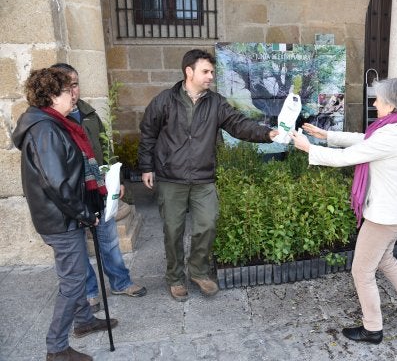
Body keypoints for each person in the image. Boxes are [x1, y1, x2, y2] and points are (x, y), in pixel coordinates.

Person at [289, 78, 397, 345]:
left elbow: (346, 158)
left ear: (392, 104)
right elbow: (366, 140)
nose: (374, 103)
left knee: (361, 272)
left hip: (383, 217)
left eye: (378, 99)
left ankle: (372, 329)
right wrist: (327, 135)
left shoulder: (391, 133)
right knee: (386, 259)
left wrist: (308, 148)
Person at [138, 49, 279, 301]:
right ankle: (175, 278)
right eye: (206, 71)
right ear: (188, 72)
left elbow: (238, 124)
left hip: (203, 178)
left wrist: (267, 133)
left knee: (207, 224)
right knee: (173, 231)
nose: (211, 76)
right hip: (171, 177)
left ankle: (199, 271)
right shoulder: (164, 101)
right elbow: (148, 133)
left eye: (212, 72)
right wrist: (146, 167)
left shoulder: (216, 103)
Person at [12, 68, 118, 361]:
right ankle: (56, 347)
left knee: (76, 270)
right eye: (66, 91)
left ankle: (83, 322)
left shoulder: (54, 124)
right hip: (61, 219)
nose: (73, 95)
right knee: (72, 281)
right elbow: (56, 183)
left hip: (62, 215)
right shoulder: (45, 129)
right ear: (50, 97)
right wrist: (85, 213)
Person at [51, 63, 147, 314]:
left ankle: (120, 282)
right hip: (72, 195)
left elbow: (105, 150)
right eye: (66, 86)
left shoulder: (89, 114)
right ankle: (90, 292)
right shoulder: (51, 121)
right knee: (78, 248)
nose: (73, 91)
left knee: (109, 241)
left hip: (99, 191)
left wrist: (117, 181)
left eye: (75, 84)